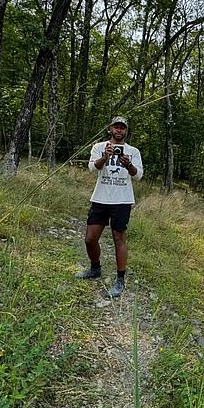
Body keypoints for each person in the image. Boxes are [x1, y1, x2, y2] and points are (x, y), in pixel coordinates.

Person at [76, 116, 144, 298]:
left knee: (118, 237)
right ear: (110, 129)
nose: (119, 131)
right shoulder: (99, 147)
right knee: (90, 239)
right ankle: (95, 268)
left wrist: (128, 164)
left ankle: (120, 279)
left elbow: (138, 176)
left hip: (122, 200)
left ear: (126, 131)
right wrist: (105, 157)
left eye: (122, 128)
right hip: (100, 198)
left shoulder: (133, 151)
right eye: (116, 127)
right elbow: (92, 168)